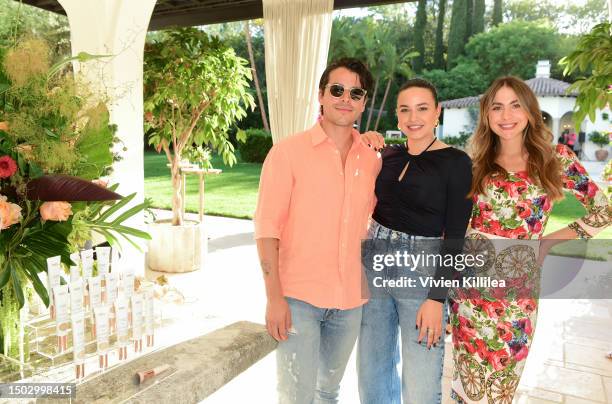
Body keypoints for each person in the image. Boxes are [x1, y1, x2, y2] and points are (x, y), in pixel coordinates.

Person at [450, 76, 611, 404]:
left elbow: (603, 211)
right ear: (487, 115)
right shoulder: (476, 162)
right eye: (497, 107)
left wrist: (548, 242)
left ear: (529, 112)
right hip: (469, 291)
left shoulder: (555, 158)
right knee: (466, 386)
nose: (506, 115)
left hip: (516, 295)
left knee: (500, 386)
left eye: (515, 105)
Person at [254, 58, 380, 404]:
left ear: (364, 102)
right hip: (299, 300)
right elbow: (267, 230)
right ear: (321, 95)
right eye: (337, 90)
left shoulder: (372, 159)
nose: (345, 99)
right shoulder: (287, 153)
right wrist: (274, 297)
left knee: (328, 392)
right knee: (296, 395)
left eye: (356, 93)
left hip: (350, 301)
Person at [358, 78, 473, 404]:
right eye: (405, 109)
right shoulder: (386, 155)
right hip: (375, 264)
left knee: (421, 382)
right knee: (371, 373)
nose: (413, 117)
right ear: (396, 115)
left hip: (421, 271)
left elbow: (455, 238)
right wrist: (362, 141)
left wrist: (437, 300)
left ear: (437, 112)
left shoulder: (457, 163)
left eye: (422, 108)